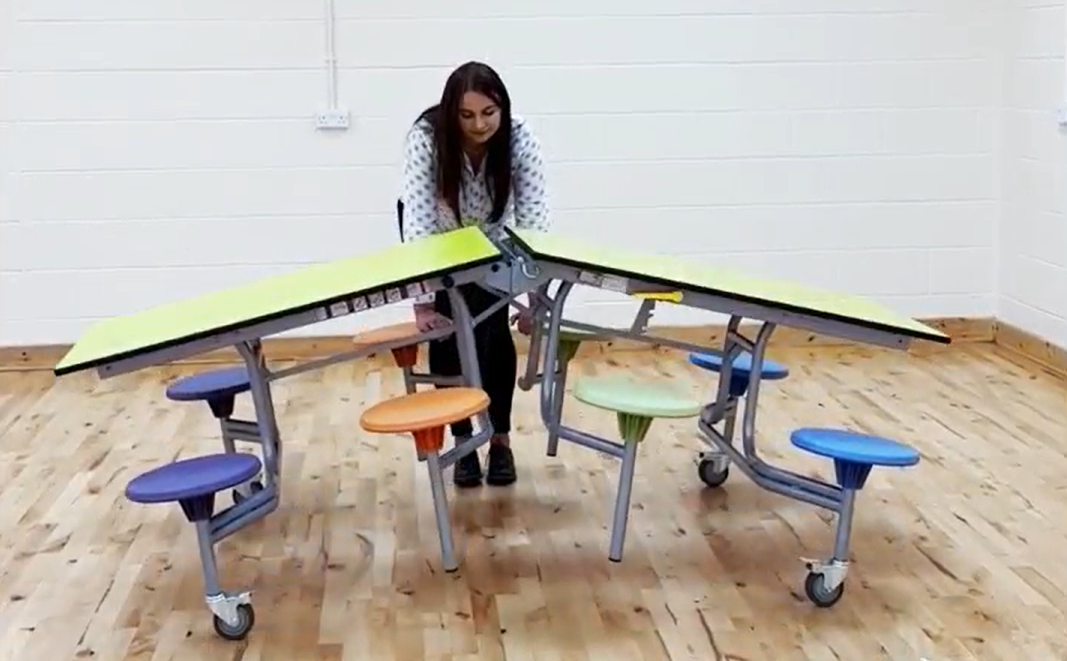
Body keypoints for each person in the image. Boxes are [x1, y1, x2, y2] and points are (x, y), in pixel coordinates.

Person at [398, 61, 551, 488]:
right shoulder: (426, 139)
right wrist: (422, 302)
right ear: (452, 113)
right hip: (439, 240)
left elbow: (535, 221)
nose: (479, 124)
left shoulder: (520, 137)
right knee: (447, 338)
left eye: (488, 113)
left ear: (502, 108)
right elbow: (419, 226)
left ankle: (500, 441)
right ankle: (463, 441)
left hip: (492, 239)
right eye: (466, 115)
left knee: (492, 336)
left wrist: (533, 297)